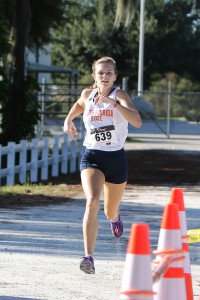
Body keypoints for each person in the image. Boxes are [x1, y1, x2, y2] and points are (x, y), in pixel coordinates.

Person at [64, 56, 142, 274]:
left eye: (109, 72)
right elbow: (79, 105)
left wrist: (114, 104)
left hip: (116, 159)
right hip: (93, 156)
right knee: (92, 200)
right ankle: (88, 256)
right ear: (94, 76)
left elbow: (137, 121)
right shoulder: (88, 94)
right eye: (101, 73)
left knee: (109, 211)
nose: (105, 76)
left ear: (115, 76)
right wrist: (68, 120)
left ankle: (115, 218)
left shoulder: (120, 95)